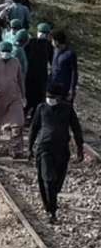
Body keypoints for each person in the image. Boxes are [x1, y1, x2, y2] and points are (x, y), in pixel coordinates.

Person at [28, 81, 85, 224]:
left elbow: (76, 129)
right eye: (48, 95)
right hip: (44, 149)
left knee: (57, 181)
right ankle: (51, 212)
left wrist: (80, 148)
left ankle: (50, 200)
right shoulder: (41, 108)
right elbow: (34, 129)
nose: (50, 98)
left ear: (60, 97)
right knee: (48, 180)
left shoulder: (67, 109)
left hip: (62, 151)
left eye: (53, 96)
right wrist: (29, 147)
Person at [25, 23, 54, 122]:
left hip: (29, 75)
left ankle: (23, 118)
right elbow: (52, 62)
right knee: (38, 99)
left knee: (28, 97)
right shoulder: (49, 46)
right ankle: (33, 119)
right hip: (41, 76)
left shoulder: (31, 42)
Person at [50, 30, 78, 103]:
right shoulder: (55, 50)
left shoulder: (70, 54)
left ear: (57, 41)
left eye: (52, 40)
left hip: (65, 88)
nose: (51, 42)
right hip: (54, 87)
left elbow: (74, 73)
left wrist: (72, 89)